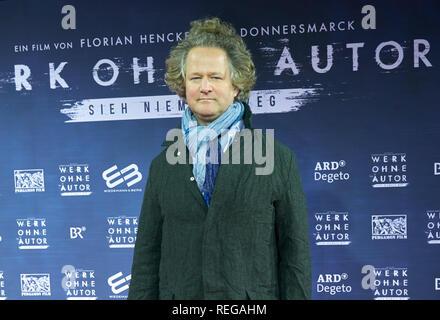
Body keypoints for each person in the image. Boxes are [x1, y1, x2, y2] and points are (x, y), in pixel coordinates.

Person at [128, 17, 311, 300]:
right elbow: (146, 260)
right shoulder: (162, 165)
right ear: (182, 85)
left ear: (236, 85)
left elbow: (295, 255)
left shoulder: (276, 157)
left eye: (215, 77)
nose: (205, 87)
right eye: (195, 78)